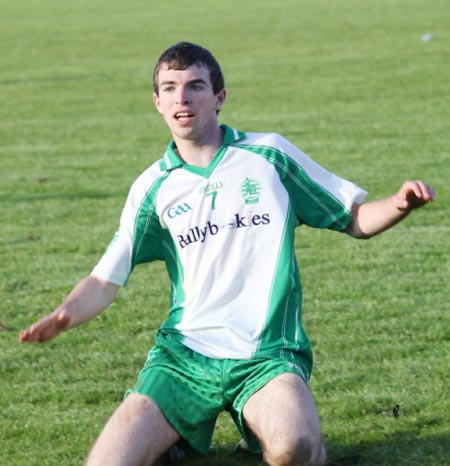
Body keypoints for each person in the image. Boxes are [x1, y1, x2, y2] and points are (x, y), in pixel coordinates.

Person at [20, 42, 435, 466]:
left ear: (219, 98)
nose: (182, 98)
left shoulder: (269, 156)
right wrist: (65, 314)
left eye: (195, 86)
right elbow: (105, 279)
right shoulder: (152, 187)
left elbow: (353, 218)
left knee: (296, 449)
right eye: (170, 88)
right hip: (183, 359)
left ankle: (236, 429)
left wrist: (400, 204)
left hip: (267, 355)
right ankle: (173, 434)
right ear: (157, 102)